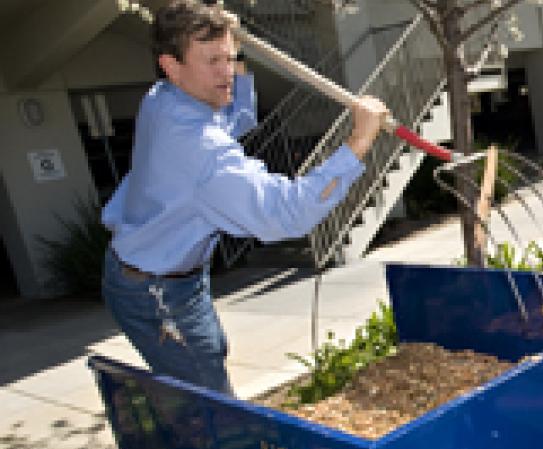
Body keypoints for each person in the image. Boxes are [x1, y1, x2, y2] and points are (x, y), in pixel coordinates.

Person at [102, 0, 389, 395]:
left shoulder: (165, 98)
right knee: (210, 398)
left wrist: (237, 56)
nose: (226, 72)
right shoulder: (199, 148)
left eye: (229, 57)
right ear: (171, 66)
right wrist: (358, 142)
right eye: (212, 61)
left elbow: (236, 117)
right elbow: (285, 215)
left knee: (211, 353)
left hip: (166, 272)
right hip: (154, 292)